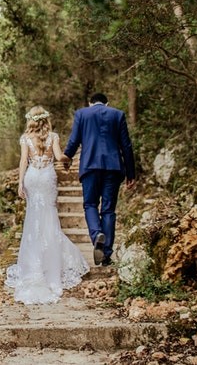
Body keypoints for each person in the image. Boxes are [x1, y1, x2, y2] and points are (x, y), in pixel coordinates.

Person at [5, 106, 89, 304]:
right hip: (47, 178)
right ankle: (51, 269)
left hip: (33, 178)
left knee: (33, 220)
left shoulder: (25, 139)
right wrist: (70, 159)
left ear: (31, 120)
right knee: (50, 217)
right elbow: (60, 158)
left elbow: (24, 161)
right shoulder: (54, 137)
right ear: (46, 120)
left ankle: (34, 265)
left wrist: (20, 183)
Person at [62, 92, 136, 266]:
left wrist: (67, 158)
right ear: (107, 103)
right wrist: (131, 174)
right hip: (113, 167)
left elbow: (74, 140)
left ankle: (96, 235)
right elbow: (126, 145)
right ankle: (106, 255)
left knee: (90, 204)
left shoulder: (81, 114)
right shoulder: (117, 114)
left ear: (90, 103)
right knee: (108, 210)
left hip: (89, 166)